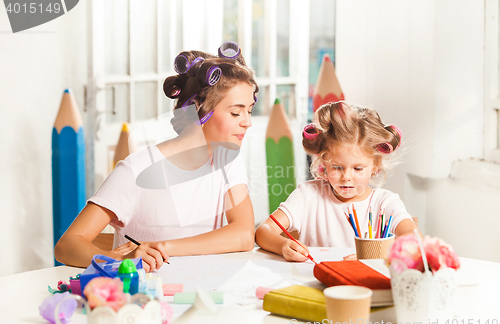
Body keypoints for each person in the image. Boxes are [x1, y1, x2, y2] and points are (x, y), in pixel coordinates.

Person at [55, 42, 258, 272]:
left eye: (249, 111)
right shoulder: (136, 170)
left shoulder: (227, 161)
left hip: (200, 290)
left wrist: (162, 247)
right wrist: (120, 261)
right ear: (197, 107)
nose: (247, 122)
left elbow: (243, 235)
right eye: (235, 112)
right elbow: (67, 245)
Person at [255, 101, 418, 262]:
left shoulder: (384, 203)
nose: (346, 177)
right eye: (337, 167)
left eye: (358, 169)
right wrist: (283, 245)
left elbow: (414, 241)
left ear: (375, 165)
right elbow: (263, 231)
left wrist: (375, 255)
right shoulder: (308, 195)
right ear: (324, 162)